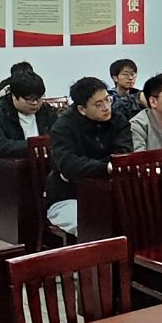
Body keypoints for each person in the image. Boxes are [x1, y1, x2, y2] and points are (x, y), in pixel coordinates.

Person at [0, 68, 57, 217]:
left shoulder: (45, 111)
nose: (35, 103)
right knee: (23, 192)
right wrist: (34, 146)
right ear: (14, 96)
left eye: (39, 98)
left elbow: (59, 136)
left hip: (39, 171)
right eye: (30, 99)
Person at [47, 77, 127, 234]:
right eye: (98, 104)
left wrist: (93, 165)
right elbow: (68, 165)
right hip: (68, 197)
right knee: (94, 225)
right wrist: (105, 166)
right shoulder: (63, 127)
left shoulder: (118, 119)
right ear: (82, 109)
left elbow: (123, 153)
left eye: (108, 100)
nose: (106, 107)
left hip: (109, 193)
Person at [107, 58, 144, 124]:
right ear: (115, 78)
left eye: (133, 74)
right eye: (125, 74)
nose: (130, 78)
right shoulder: (108, 97)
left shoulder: (139, 95)